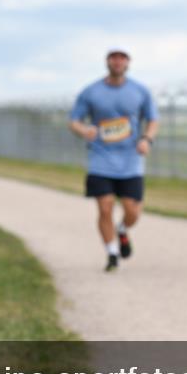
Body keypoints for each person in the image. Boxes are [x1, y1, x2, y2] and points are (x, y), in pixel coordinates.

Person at [69, 49, 159, 273]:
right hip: (101, 158)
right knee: (105, 207)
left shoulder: (139, 91)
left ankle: (122, 230)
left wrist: (147, 139)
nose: (117, 62)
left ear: (128, 62)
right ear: (107, 61)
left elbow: (153, 119)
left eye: (122, 58)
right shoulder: (91, 91)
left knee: (132, 211)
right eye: (113, 57)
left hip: (130, 161)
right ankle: (111, 253)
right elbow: (74, 120)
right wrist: (84, 130)